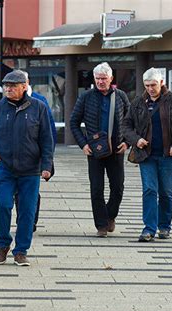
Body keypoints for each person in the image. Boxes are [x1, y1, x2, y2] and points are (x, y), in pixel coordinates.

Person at [0, 70, 54, 266]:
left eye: (13, 86)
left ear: (24, 86)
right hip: (5, 168)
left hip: (30, 170)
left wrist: (46, 165)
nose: (8, 89)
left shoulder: (38, 108)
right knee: (3, 205)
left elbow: (47, 139)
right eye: (6, 86)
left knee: (27, 211)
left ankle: (21, 250)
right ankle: (2, 244)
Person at [121, 67, 172, 242]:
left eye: (153, 85)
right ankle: (148, 229)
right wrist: (136, 140)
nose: (150, 88)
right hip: (146, 155)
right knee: (149, 190)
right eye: (147, 85)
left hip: (168, 155)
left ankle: (164, 227)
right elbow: (126, 126)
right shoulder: (138, 102)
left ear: (161, 83)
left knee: (166, 192)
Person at [70, 62, 130, 237]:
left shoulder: (121, 96)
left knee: (118, 187)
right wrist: (83, 144)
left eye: (104, 78)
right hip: (94, 151)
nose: (100, 82)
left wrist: (127, 142)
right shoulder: (86, 97)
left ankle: (110, 215)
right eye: (97, 79)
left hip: (116, 149)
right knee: (96, 188)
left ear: (111, 78)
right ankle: (101, 225)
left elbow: (131, 122)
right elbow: (74, 122)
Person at [14, 70, 57, 232]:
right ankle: (22, 220)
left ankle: (31, 221)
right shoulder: (9, 100)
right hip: (14, 155)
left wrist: (48, 158)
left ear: (26, 83)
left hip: (35, 155)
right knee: (17, 191)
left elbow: (50, 131)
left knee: (31, 191)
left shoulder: (40, 101)